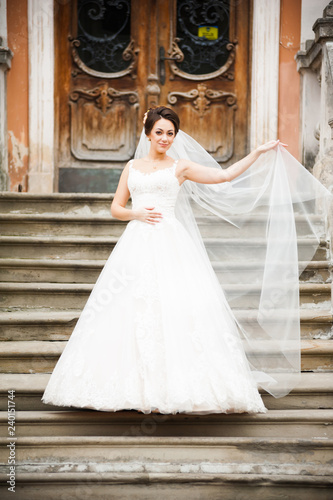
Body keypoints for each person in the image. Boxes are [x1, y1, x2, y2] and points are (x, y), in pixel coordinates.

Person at [41, 106, 330, 415]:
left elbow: (223, 176)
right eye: (159, 132)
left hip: (171, 242)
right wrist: (135, 213)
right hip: (136, 242)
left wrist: (258, 152)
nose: (165, 138)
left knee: (176, 308)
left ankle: (181, 387)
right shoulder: (132, 167)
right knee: (129, 308)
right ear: (148, 133)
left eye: (170, 133)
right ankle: (129, 387)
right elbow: (116, 207)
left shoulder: (180, 167)